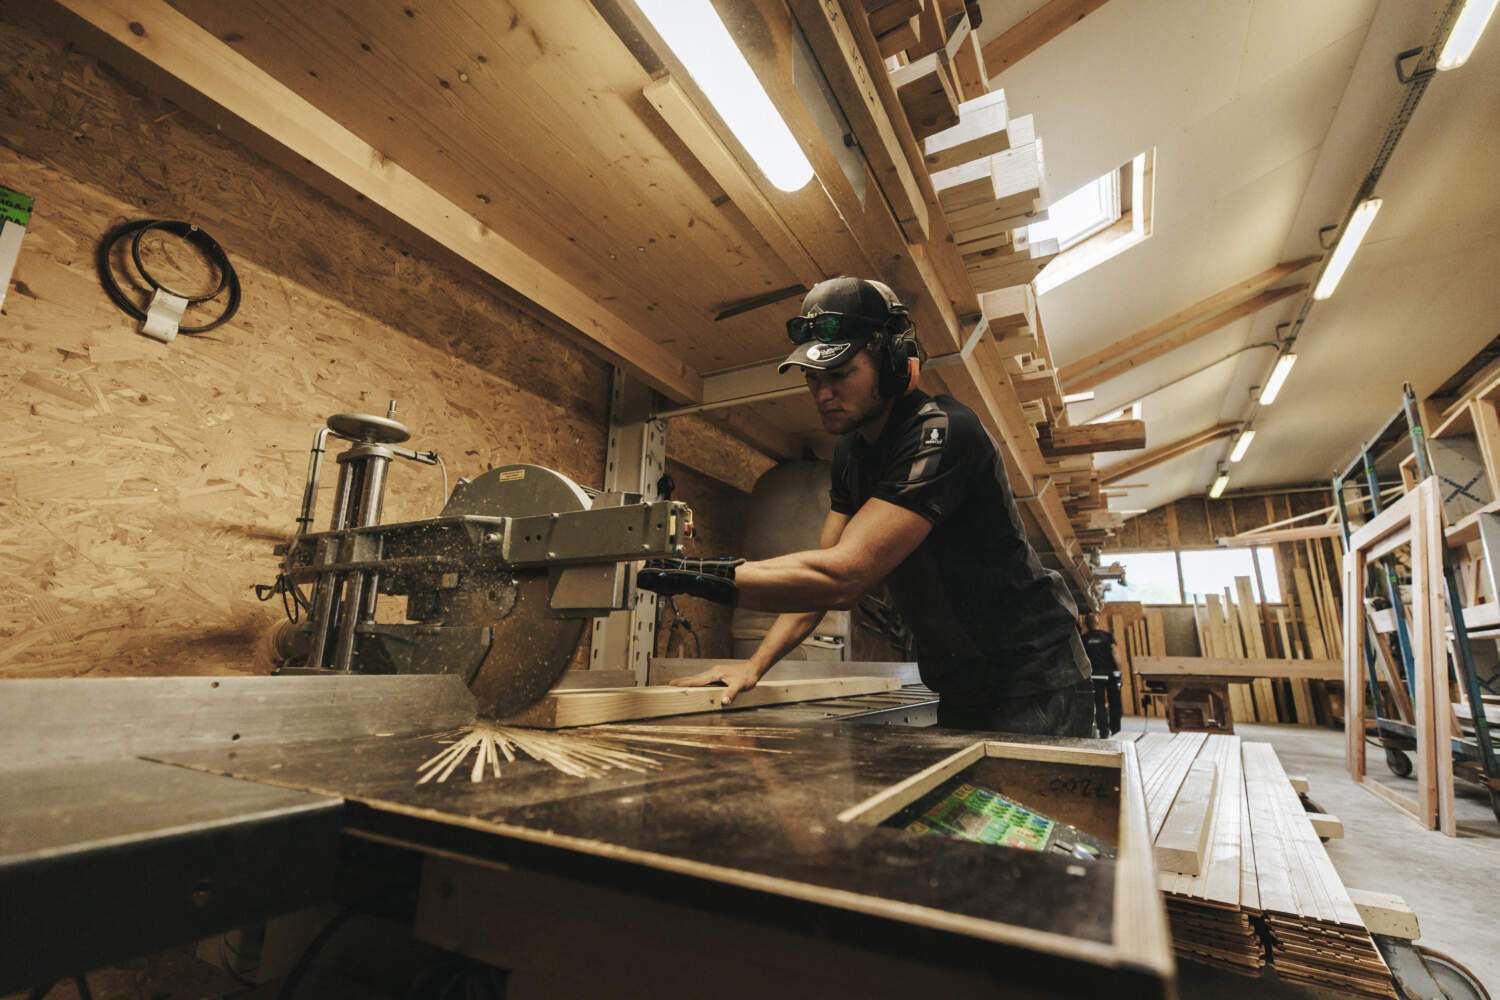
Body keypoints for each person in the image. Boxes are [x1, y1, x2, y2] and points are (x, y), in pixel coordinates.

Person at [637, 277, 1095, 736]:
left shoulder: (943, 432)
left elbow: (843, 576)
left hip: (1035, 676)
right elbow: (819, 580)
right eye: (812, 379)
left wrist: (688, 573)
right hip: (962, 683)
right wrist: (753, 666)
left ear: (895, 364)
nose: (822, 395)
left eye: (839, 375)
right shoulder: (850, 455)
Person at [1080, 613, 1124, 736]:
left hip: (1095, 676)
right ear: (1097, 622)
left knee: (1099, 703)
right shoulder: (1108, 636)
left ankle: (1103, 731)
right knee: (1115, 702)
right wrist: (1120, 671)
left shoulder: (1083, 639)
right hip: (1111, 674)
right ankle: (1116, 730)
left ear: (1086, 625)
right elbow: (1115, 653)